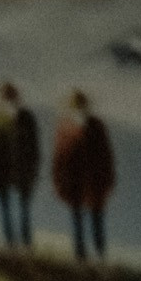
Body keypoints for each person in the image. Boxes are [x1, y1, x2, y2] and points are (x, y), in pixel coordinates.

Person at [52, 90, 116, 262]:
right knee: (77, 219)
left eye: (80, 105)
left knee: (96, 220)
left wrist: (107, 179)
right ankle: (80, 257)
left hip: (95, 182)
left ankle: (100, 256)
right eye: (75, 106)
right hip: (74, 182)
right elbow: (59, 156)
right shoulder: (65, 127)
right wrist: (58, 180)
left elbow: (106, 155)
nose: (78, 109)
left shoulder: (96, 125)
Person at [0, 83, 40, 249]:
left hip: (22, 171)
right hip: (2, 170)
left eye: (9, 96)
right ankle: (9, 242)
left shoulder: (25, 117)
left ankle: (25, 242)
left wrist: (32, 169)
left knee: (22, 208)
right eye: (5, 97)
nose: (7, 100)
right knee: (6, 207)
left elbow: (34, 147)